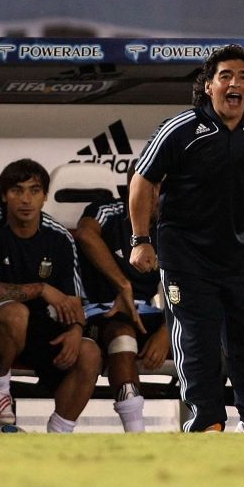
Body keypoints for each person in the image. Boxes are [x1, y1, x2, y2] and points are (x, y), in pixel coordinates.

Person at [129, 43, 244, 433]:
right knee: (197, 342)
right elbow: (142, 181)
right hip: (187, 256)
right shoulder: (180, 129)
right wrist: (140, 239)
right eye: (226, 76)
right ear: (209, 86)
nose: (236, 84)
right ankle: (206, 425)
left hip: (243, 252)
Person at [0, 158, 102, 433]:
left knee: (89, 351)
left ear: (45, 196)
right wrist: (41, 288)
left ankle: (59, 434)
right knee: (15, 313)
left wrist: (76, 329)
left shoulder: (59, 236)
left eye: (34, 191)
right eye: (16, 190)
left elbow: (74, 301)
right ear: (3, 196)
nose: (25, 199)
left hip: (35, 326)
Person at [74, 168, 169, 433]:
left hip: (148, 313)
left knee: (202, 332)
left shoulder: (170, 226)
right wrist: (123, 285)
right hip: (102, 310)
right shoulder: (109, 211)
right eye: (146, 185)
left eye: (159, 187)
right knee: (122, 335)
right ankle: (136, 433)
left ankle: (209, 425)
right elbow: (85, 234)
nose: (153, 194)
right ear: (131, 187)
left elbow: (192, 287)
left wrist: (168, 331)